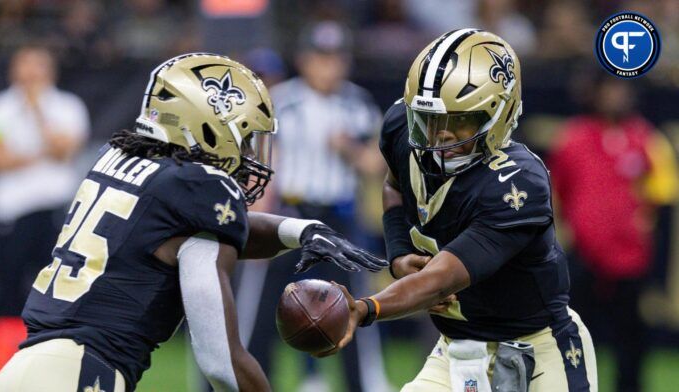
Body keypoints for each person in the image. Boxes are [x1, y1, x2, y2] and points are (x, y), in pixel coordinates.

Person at [0, 53, 386, 392]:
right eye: (245, 137)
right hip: (79, 372)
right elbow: (222, 361)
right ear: (208, 126)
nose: (250, 155)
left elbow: (215, 229)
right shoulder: (199, 186)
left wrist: (301, 231)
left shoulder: (123, 158)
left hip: (33, 365)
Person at [323, 30, 598, 392]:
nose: (440, 137)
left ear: (498, 114)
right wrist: (400, 252)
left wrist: (367, 308)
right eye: (431, 120)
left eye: (458, 122)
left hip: (540, 350)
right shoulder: (404, 128)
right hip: (459, 350)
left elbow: (440, 280)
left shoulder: (518, 183)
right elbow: (393, 183)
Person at [244, 21, 391, 392]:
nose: (329, 66)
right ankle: (256, 382)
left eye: (336, 58)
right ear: (305, 60)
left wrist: (349, 150)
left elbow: (375, 165)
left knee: (351, 307)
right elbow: (266, 163)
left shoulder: (357, 103)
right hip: (290, 214)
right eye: (321, 58)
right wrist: (257, 215)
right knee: (265, 310)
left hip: (337, 218)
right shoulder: (284, 101)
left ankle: (361, 384)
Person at [548, 73, 679, 392]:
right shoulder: (572, 138)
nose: (616, 96)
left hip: (630, 260)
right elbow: (554, 194)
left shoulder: (647, 139)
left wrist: (646, 241)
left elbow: (662, 198)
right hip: (582, 258)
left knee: (632, 340)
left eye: (622, 90)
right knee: (572, 337)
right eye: (609, 90)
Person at [0, 44, 90, 387]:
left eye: (38, 67)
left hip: (55, 210)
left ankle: (51, 369)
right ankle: (1, 370)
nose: (31, 75)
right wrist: (42, 151)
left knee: (57, 294)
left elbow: (64, 149)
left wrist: (38, 115)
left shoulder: (67, 106)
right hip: (12, 212)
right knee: (8, 294)